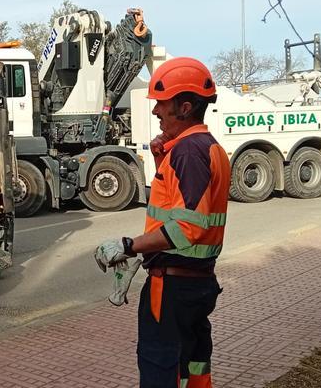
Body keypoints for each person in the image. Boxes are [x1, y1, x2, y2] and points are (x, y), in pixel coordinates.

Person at [95, 57, 230, 388]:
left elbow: (188, 226)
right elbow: (178, 209)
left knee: (161, 367)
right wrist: (160, 161)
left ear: (184, 107)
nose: (155, 111)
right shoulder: (206, 147)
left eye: (162, 104)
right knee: (192, 366)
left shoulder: (189, 151)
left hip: (172, 289)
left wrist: (130, 246)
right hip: (195, 284)